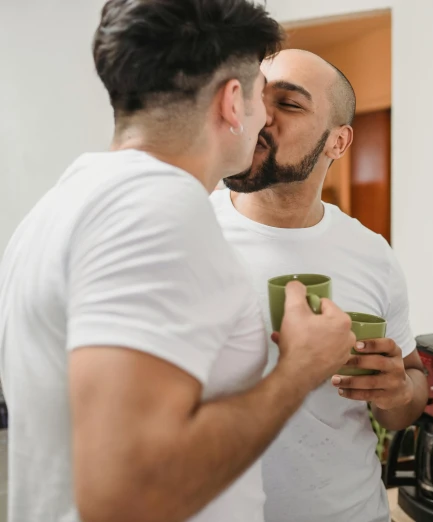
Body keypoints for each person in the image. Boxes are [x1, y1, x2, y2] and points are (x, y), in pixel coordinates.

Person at [0, 3, 356, 522]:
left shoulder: (62, 203)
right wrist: (300, 369)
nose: (265, 118)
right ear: (234, 102)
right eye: (261, 93)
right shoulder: (157, 211)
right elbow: (126, 495)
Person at [212, 49, 429, 522]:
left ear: (339, 142)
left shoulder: (373, 254)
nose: (260, 115)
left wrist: (398, 392)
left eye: (288, 104)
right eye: (255, 96)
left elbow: (410, 392)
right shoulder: (187, 232)